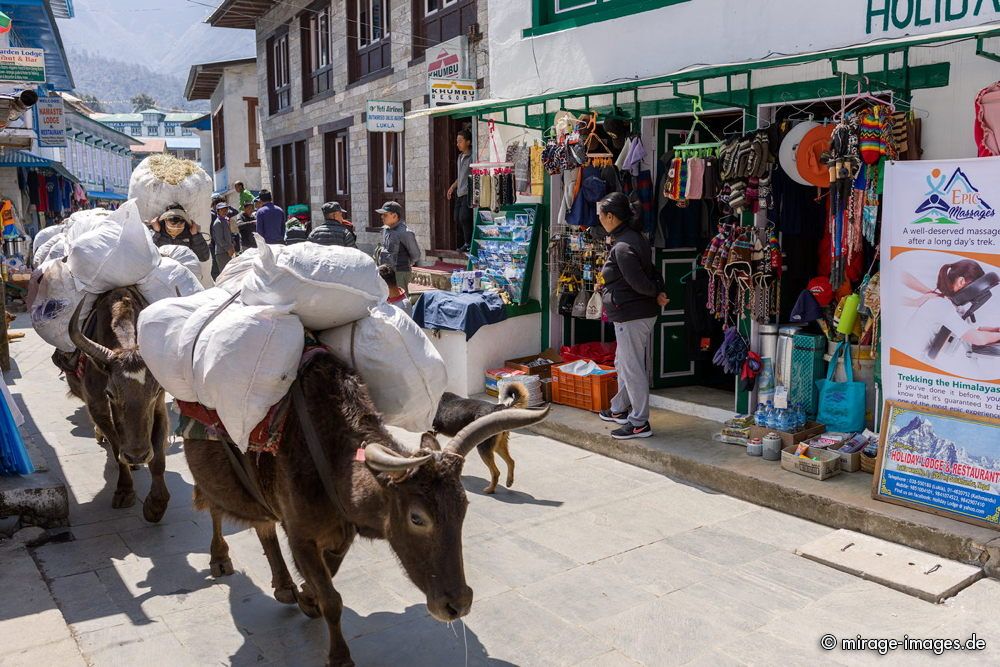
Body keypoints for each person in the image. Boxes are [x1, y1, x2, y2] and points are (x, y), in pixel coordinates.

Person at [595, 192, 669, 440]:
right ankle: (618, 409)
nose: (599, 220)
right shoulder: (631, 239)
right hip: (633, 314)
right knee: (624, 364)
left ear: (611, 216)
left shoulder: (624, 246)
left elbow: (639, 282)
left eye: (601, 216)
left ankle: (639, 422)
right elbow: (646, 274)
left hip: (632, 315)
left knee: (632, 367)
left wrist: (656, 292)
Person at [903, 260, 1000, 348]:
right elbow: (978, 339)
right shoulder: (942, 306)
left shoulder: (952, 306)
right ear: (961, 281)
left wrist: (994, 330)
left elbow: (973, 329)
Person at [376, 201, 421, 290]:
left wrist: (406, 263)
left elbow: (416, 255)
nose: (382, 217)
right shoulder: (385, 229)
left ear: (395, 216)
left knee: (400, 299)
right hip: (386, 272)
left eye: (385, 215)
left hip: (400, 273)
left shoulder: (405, 233)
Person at [447, 128, 473, 251]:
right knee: (457, 218)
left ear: (468, 142)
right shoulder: (460, 157)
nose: (458, 144)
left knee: (464, 217)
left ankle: (468, 243)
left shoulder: (472, 156)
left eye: (460, 141)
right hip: (459, 192)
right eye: (457, 141)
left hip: (468, 192)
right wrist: (452, 187)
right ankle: (465, 241)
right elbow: (460, 176)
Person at [211, 201, 236, 274]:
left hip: (228, 251)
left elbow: (228, 234)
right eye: (222, 210)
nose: (225, 211)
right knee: (225, 274)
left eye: (226, 209)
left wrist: (232, 244)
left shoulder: (225, 220)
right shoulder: (218, 223)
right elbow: (219, 239)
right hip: (221, 253)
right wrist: (228, 249)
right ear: (218, 211)